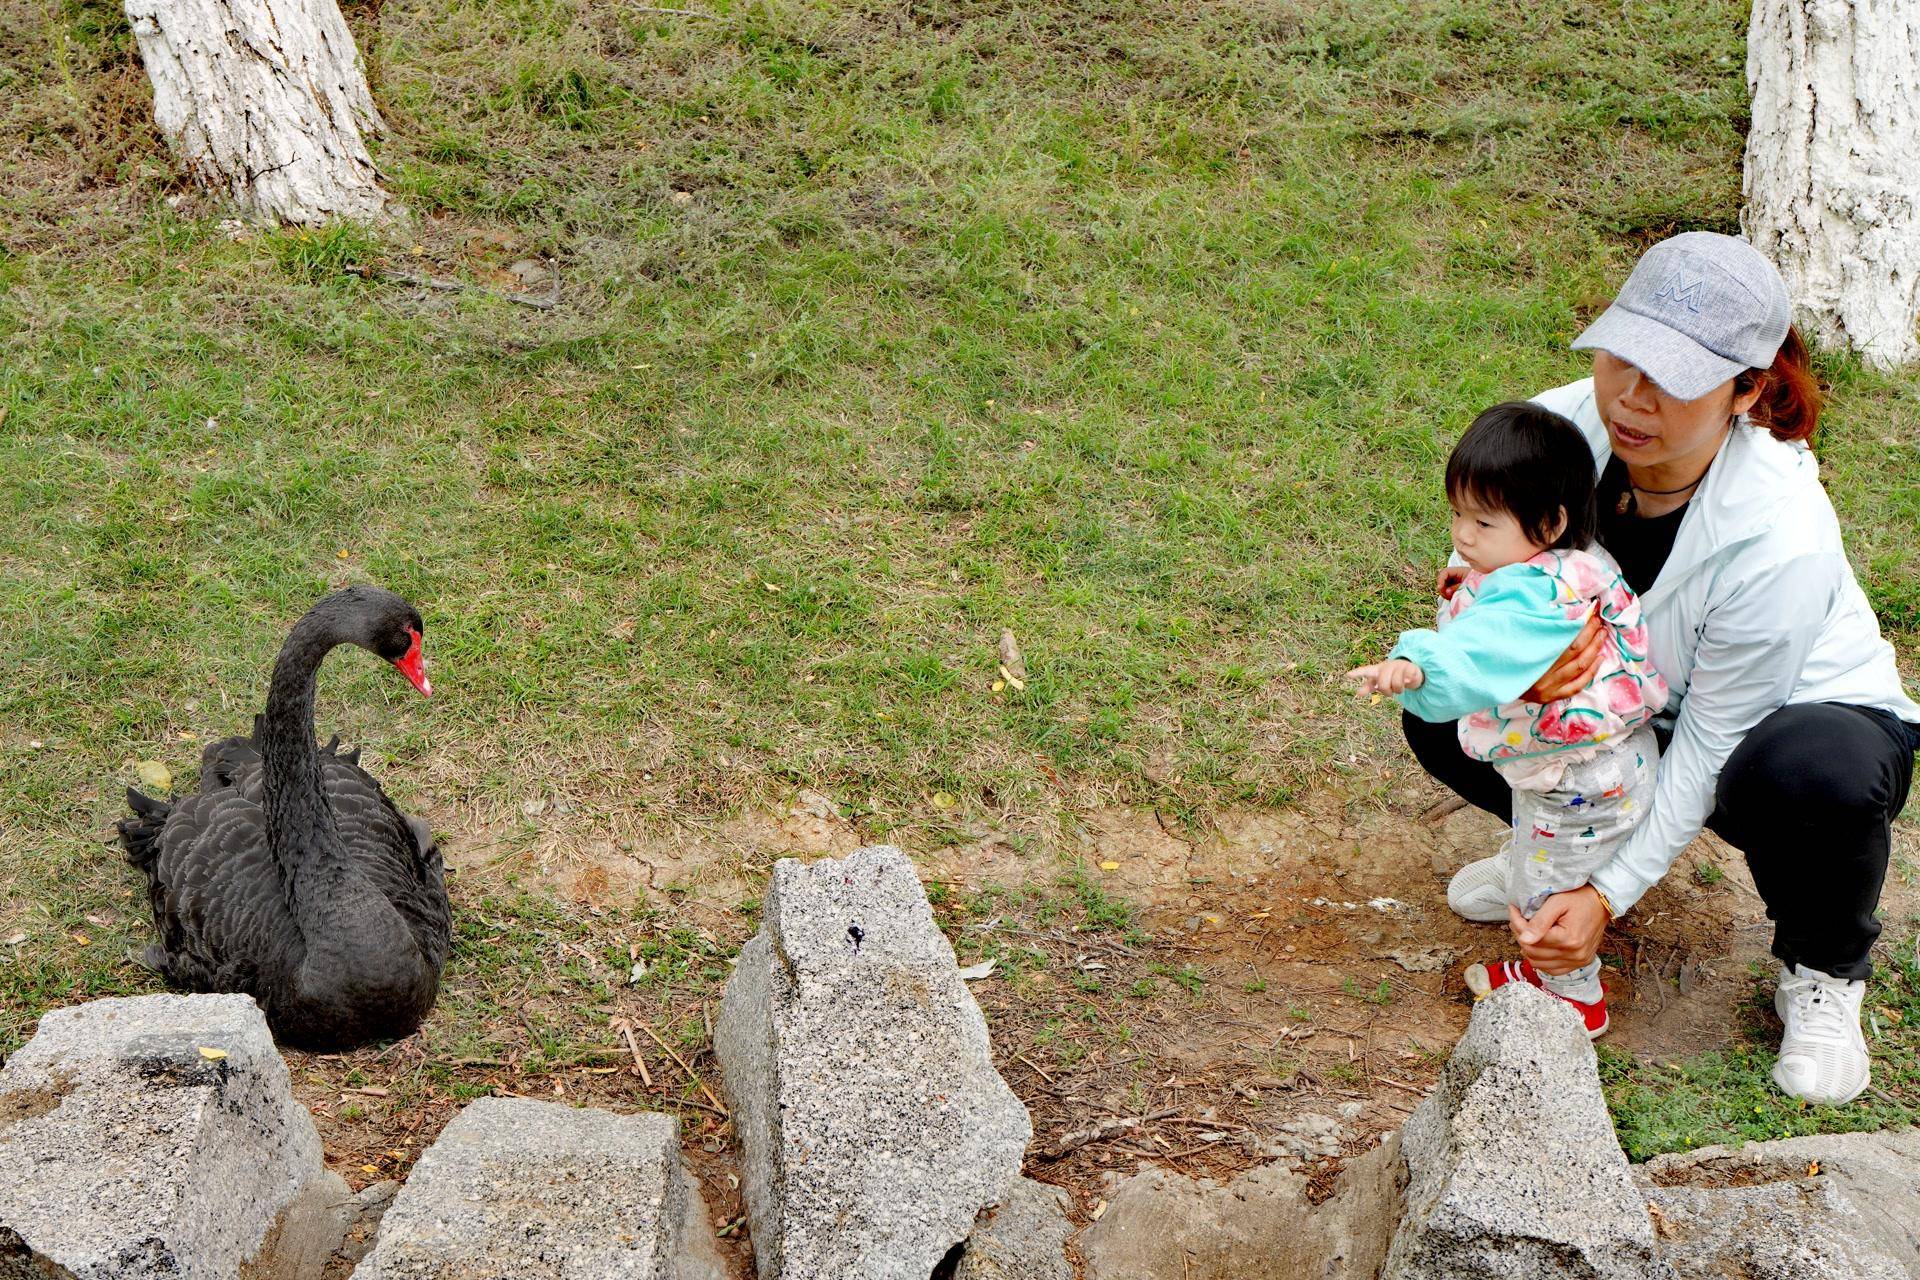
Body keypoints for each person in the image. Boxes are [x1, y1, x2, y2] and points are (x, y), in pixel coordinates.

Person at [1403, 231, 1920, 1104]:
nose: (1631, 400)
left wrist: (1607, 896)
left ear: (1747, 390)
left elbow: (1714, 737)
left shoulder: (1781, 530)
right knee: (1443, 703)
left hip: (1780, 725)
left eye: (1673, 378)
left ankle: (1824, 970)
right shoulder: (1561, 428)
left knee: (1806, 774)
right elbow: (1484, 562)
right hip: (1636, 703)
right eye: (1621, 359)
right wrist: (1504, 647)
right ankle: (1549, 853)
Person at [1350, 402, 1667, 1037]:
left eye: (1482, 521)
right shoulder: (1574, 562)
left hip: (1575, 782)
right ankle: (1542, 868)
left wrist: (1415, 666)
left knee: (1540, 890)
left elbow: (1479, 649)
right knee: (1543, 846)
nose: (1463, 535)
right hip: (1611, 758)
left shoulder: (1530, 601)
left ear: (1549, 522)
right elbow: (1502, 595)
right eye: (1459, 515)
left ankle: (1570, 992)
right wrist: (1473, 573)